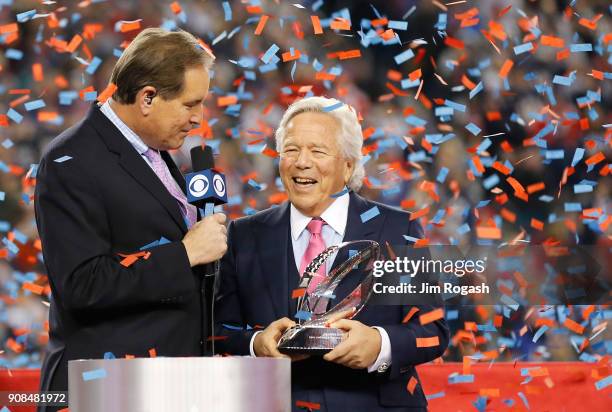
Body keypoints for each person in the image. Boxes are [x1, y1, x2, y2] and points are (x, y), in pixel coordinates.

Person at [215, 96, 449, 411]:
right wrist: (257, 344)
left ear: (348, 164)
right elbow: (218, 333)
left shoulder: (398, 228)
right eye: (292, 150)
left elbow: (433, 331)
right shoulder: (244, 235)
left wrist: (379, 344)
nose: (301, 162)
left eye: (317, 151)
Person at [34, 28, 227, 407]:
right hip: (105, 389)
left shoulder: (153, 152)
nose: (198, 119)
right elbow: (82, 285)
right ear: (147, 98)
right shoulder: (71, 161)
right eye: (191, 104)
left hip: (165, 385)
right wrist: (184, 254)